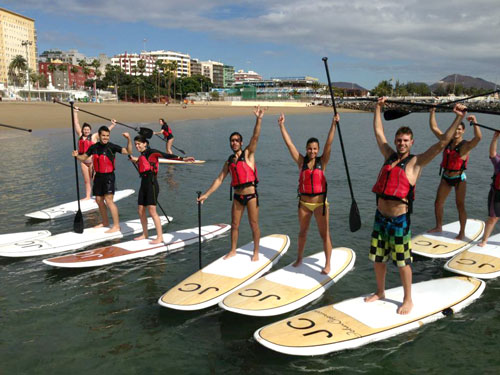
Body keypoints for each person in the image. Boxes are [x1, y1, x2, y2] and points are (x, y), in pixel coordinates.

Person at [366, 98, 466, 315]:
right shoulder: (388, 155)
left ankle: (408, 299)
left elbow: (441, 144)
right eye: (399, 140)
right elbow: (378, 132)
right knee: (378, 259)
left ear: (411, 143)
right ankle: (380, 291)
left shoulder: (416, 162)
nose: (401, 143)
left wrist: (458, 117)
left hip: (399, 221)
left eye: (405, 140)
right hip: (380, 218)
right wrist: (377, 107)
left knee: (403, 263)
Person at [197, 107, 264, 261]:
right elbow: (219, 179)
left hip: (251, 196)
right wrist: (206, 195)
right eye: (232, 141)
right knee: (234, 225)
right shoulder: (229, 161)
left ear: (241, 142)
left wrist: (258, 119)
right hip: (237, 197)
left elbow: (256, 136)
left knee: (254, 224)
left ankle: (255, 252)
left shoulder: (248, 154)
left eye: (236, 140)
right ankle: (233, 250)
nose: (234, 143)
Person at [277, 112, 339, 274]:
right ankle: (299, 258)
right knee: (302, 232)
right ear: (306, 149)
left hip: (320, 204)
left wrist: (333, 124)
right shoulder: (301, 162)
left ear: (318, 150)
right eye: (310, 149)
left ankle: (327, 264)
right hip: (304, 204)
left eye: (315, 149)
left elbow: (329, 144)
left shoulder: (322, 162)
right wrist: (282, 125)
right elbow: (289, 144)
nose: (312, 151)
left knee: (324, 234)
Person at [130, 135, 195, 244]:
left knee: (152, 210)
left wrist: (183, 159)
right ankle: (145, 234)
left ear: (145, 143)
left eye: (139, 143)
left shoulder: (153, 152)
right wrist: (134, 160)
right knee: (140, 210)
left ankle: (160, 237)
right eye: (135, 144)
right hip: (143, 184)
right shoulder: (142, 155)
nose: (137, 146)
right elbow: (143, 163)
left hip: (152, 184)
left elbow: (167, 156)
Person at [428, 108, 482, 239]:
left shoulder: (465, 146)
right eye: (455, 129)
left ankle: (462, 232)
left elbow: (478, 138)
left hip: (459, 178)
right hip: (446, 177)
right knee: (438, 203)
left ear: (463, 131)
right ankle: (438, 226)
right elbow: (434, 127)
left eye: (459, 129)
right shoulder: (446, 141)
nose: (456, 131)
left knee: (460, 205)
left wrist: (475, 122)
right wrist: (432, 112)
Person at [72, 126, 132, 233]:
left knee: (109, 201)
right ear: (99, 136)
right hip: (98, 176)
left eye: (107, 136)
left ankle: (117, 226)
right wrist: (77, 156)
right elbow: (84, 157)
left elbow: (128, 151)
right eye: (103, 135)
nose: (105, 138)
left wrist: (128, 139)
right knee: (98, 200)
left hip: (109, 177)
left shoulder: (112, 147)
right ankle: (105, 222)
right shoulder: (93, 147)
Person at [73, 106, 116, 200]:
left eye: (88, 129)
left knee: (96, 180)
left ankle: (101, 195)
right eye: (85, 129)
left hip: (92, 162)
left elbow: (105, 132)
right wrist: (75, 112)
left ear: (90, 130)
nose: (86, 131)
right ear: (82, 130)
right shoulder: (80, 135)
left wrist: (112, 125)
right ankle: (88, 196)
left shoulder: (94, 136)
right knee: (86, 180)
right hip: (83, 163)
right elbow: (76, 123)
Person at [479, 128, 500, 246]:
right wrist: (495, 138)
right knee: (493, 218)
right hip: (497, 194)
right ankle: (484, 240)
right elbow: (492, 153)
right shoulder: (498, 163)